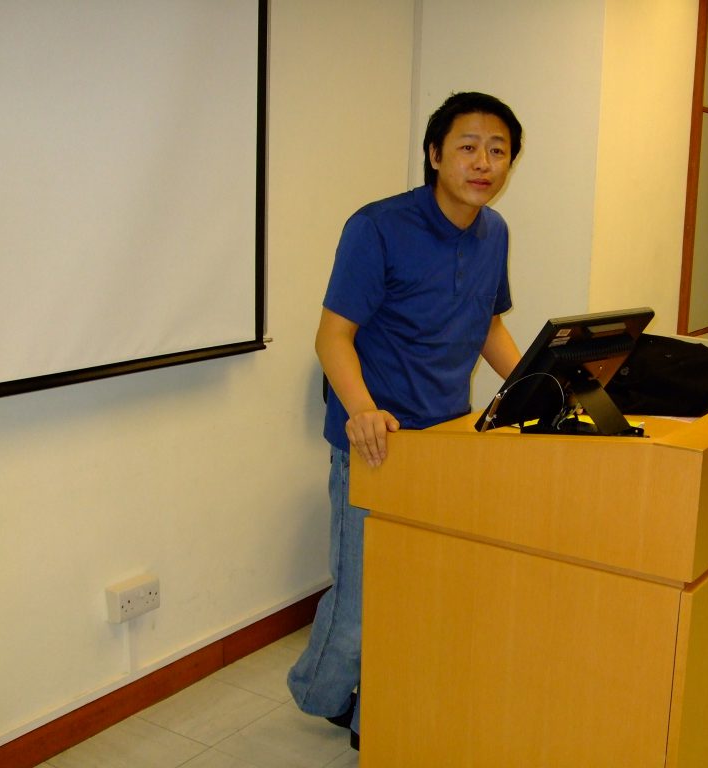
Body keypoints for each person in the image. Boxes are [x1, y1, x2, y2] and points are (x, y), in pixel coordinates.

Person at [286, 91, 524, 750]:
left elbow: (488, 325)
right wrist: (362, 411)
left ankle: (383, 704)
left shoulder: (495, 233)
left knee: (425, 587)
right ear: (435, 154)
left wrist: (542, 385)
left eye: (498, 150)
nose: (484, 163)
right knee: (362, 600)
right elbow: (333, 336)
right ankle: (321, 691)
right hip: (375, 441)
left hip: (447, 438)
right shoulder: (378, 227)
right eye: (468, 147)